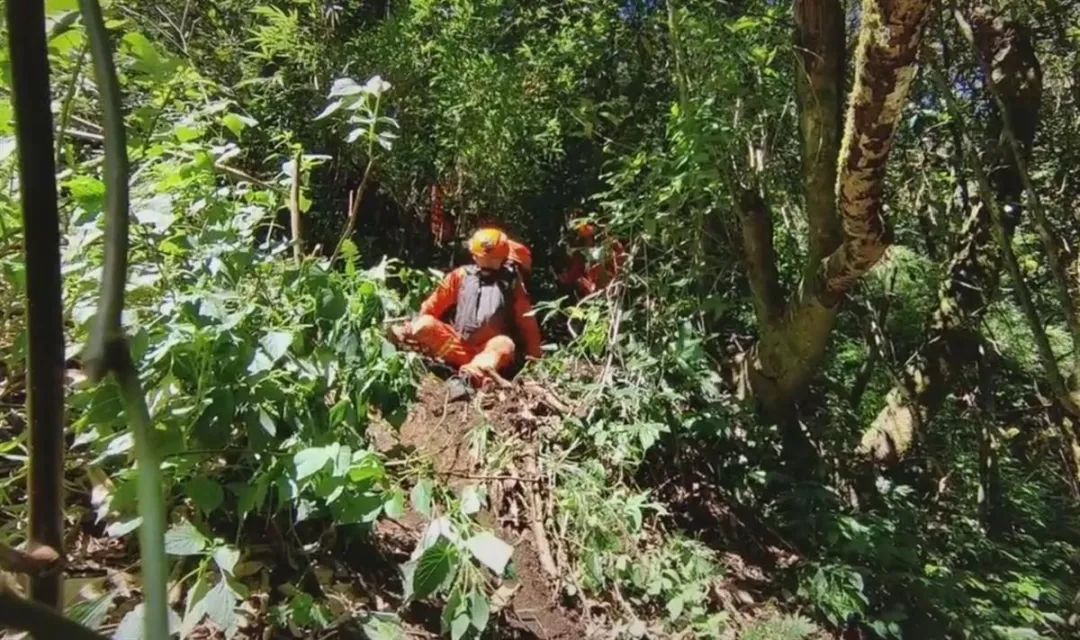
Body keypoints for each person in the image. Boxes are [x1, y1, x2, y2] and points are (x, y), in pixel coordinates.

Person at [389, 228, 543, 391]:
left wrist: (536, 360)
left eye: (493, 259)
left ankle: (470, 377)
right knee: (424, 324)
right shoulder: (461, 276)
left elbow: (528, 324)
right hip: (458, 346)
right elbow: (432, 306)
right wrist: (414, 325)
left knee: (504, 344)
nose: (488, 262)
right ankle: (407, 345)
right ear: (474, 256)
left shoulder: (512, 285)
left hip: (490, 352)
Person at [557, 221, 627, 297]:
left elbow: (621, 258)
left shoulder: (608, 243)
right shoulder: (580, 254)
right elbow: (577, 270)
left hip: (616, 281)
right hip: (600, 290)